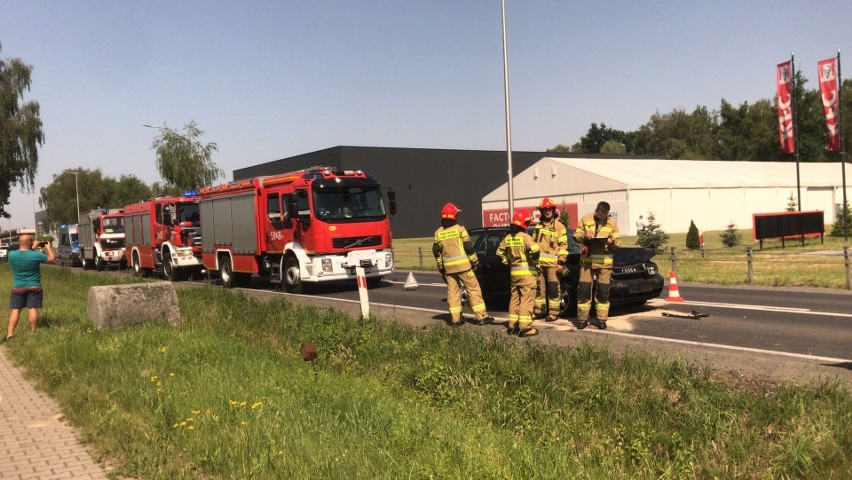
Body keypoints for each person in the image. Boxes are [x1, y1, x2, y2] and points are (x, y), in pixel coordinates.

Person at [432, 203, 494, 327]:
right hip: (464, 267)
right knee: (473, 290)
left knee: (453, 293)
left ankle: (456, 320)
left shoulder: (438, 233)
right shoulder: (460, 229)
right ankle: (482, 317)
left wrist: (441, 267)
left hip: (449, 269)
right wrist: (474, 261)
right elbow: (468, 247)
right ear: (455, 215)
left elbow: (436, 251)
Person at [573, 201, 621, 329]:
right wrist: (584, 235)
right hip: (587, 262)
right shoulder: (586, 218)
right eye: (599, 215)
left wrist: (610, 242)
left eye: (604, 216)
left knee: (603, 292)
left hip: (604, 264)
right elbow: (576, 235)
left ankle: (601, 319)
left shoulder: (612, 223)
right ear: (596, 210)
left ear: (607, 214)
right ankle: (582, 320)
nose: (601, 218)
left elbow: (618, 243)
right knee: (584, 290)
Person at [497, 209, 541, 337]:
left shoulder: (508, 238)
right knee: (526, 301)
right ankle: (525, 328)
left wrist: (508, 262)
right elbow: (535, 251)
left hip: (514, 274)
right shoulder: (526, 237)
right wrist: (535, 263)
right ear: (524, 224)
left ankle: (512, 326)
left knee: (515, 299)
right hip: (527, 274)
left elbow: (499, 253)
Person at [5, 233, 55, 341]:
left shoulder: (12, 255)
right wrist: (49, 248)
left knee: (16, 310)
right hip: (34, 286)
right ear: (30, 243)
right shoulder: (36, 255)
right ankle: (33, 333)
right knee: (32, 309)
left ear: (20, 243)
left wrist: (31, 247)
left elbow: (24, 253)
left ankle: (10, 334)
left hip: (18, 287)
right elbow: (52, 259)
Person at [532, 197, 570, 325]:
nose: (547, 212)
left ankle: (553, 313)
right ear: (541, 212)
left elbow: (564, 246)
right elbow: (533, 243)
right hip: (539, 265)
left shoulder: (559, 227)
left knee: (554, 288)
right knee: (539, 289)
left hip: (553, 265)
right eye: (545, 210)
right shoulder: (538, 226)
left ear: (553, 210)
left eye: (549, 209)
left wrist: (561, 263)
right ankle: (539, 311)